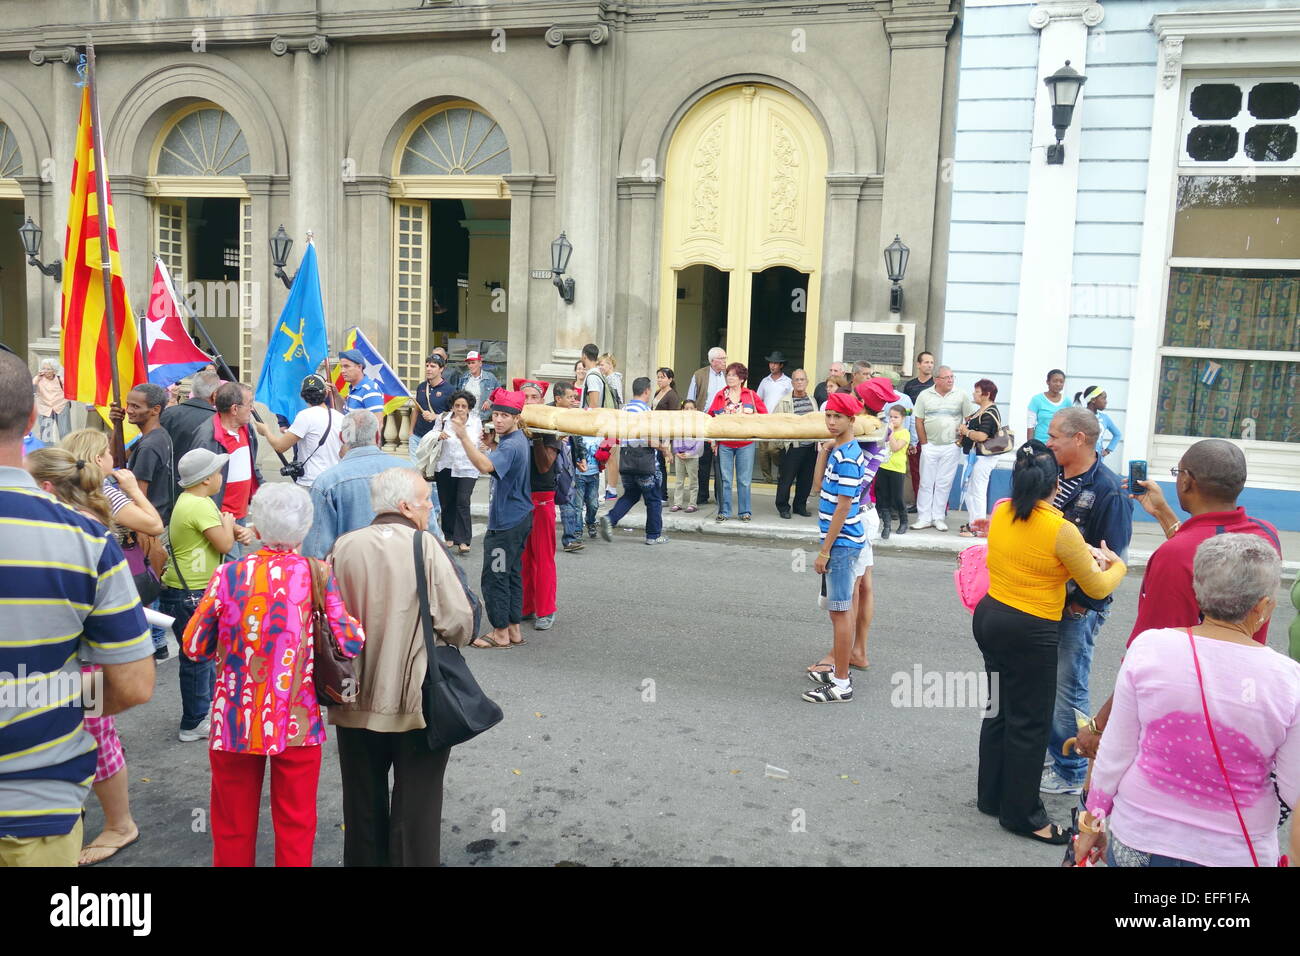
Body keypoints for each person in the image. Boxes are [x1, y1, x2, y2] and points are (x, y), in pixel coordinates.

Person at [0, 350, 154, 868]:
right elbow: (133, 685)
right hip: (39, 804)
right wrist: (51, 699)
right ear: (30, 421)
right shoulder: (86, 538)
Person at [1074, 535, 1299, 868]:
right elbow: (1294, 787)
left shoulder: (1150, 648)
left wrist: (1093, 820)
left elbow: (1116, 751)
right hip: (1235, 851)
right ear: (1262, 606)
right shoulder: (1289, 680)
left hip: (1139, 837)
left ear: (1199, 593)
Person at [182, 483, 364, 867]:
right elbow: (349, 642)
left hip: (234, 718)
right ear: (304, 529)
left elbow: (194, 645)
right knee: (296, 822)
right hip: (297, 717)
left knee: (232, 823)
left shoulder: (228, 576)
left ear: (257, 528)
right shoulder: (317, 574)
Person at [1072, 438, 1282, 759]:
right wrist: (1162, 512)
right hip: (1242, 708)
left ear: (1186, 481)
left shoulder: (1174, 556)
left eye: (1178, 473)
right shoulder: (1265, 536)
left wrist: (1099, 727)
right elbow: (1208, 548)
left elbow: (1147, 659)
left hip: (1182, 720)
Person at [972, 440, 1126, 844]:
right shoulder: (1060, 529)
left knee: (998, 709)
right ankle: (1023, 815)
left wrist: (1081, 549)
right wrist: (1118, 565)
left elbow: (1035, 548)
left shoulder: (1003, 510)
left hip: (990, 617)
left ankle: (991, 796)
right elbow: (1095, 584)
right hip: (1030, 628)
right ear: (1055, 484)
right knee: (1030, 722)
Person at [329, 468, 475, 866]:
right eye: (427, 499)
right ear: (407, 505)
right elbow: (458, 621)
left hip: (351, 693)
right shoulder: (425, 546)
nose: (431, 506)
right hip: (416, 694)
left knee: (361, 797)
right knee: (417, 800)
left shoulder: (343, 546)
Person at [24, 447, 158, 866]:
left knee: (97, 732)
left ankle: (120, 824)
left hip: (89, 658)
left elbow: (135, 685)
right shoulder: (75, 524)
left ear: (46, 488)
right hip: (85, 656)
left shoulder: (78, 530)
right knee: (93, 732)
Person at [1041, 406, 1132, 795]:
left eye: (1055, 436)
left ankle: (1072, 769)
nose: (1048, 443)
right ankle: (1059, 753)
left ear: (1079, 439)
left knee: (1069, 686)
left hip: (1077, 608)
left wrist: (1081, 607)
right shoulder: (1055, 478)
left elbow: (1115, 559)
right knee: (1050, 684)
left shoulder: (1108, 490)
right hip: (1046, 603)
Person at [805, 377, 898, 677]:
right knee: (863, 589)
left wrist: (824, 550)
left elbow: (844, 502)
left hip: (854, 517)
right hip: (863, 514)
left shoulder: (862, 435)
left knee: (848, 598)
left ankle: (839, 660)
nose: (832, 420)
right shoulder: (879, 427)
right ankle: (857, 651)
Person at [163, 448, 238, 743]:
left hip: (184, 590)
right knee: (198, 657)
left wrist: (231, 529)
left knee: (201, 655)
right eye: (218, 472)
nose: (221, 477)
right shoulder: (200, 505)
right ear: (207, 479)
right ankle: (193, 721)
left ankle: (201, 713)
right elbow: (223, 544)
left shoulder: (191, 500)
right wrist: (230, 527)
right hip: (191, 592)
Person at [801, 391, 869, 703]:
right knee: (837, 611)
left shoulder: (850, 457)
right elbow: (817, 488)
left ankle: (841, 683)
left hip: (840, 545)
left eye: (837, 417)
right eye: (828, 415)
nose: (830, 421)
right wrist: (823, 451)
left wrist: (825, 551)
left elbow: (843, 509)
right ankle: (839, 670)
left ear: (851, 420)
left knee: (840, 613)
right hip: (839, 544)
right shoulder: (840, 452)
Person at [452, 388, 532, 649]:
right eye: (496, 414)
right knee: (511, 573)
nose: (498, 420)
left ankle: (499, 633)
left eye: (504, 416)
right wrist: (492, 445)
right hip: (519, 517)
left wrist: (464, 437)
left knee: (496, 576)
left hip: (506, 523)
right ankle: (514, 630)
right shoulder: (514, 441)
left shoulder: (511, 445)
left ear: (516, 419)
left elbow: (486, 466)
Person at [302, 409, 434, 559]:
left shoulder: (326, 482)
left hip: (351, 574)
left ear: (342, 437)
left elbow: (316, 551)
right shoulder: (410, 472)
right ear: (377, 435)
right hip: (407, 570)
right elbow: (432, 534)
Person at [189, 382, 261, 560]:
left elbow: (252, 466)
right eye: (249, 404)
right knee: (232, 570)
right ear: (235, 409)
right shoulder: (207, 438)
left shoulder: (247, 429)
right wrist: (228, 524)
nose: (252, 409)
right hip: (219, 518)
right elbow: (199, 490)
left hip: (240, 513)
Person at [598, 377, 669, 546]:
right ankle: (653, 535)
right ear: (647, 391)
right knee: (653, 499)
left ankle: (610, 518)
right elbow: (649, 440)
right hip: (644, 461)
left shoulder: (624, 410)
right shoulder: (645, 412)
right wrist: (664, 448)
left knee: (631, 494)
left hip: (627, 459)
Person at [519, 381, 563, 630]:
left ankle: (546, 610)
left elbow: (545, 465)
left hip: (542, 495)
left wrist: (536, 438)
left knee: (543, 555)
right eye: (525, 397)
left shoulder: (550, 426)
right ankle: (526, 606)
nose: (529, 401)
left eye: (534, 396)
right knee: (523, 556)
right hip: (519, 495)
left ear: (541, 399)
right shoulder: (515, 424)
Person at [911, 366, 975, 532]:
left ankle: (938, 517)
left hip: (951, 446)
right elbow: (918, 420)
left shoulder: (961, 395)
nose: (950, 380)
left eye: (952, 377)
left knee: (943, 483)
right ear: (936, 379)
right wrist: (923, 443)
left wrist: (960, 441)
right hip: (930, 445)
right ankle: (924, 517)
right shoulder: (925, 395)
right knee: (926, 482)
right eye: (946, 377)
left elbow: (969, 419)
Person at [253, 374, 342, 488]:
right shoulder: (340, 417)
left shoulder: (305, 416)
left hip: (312, 482)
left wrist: (266, 431)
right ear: (326, 393)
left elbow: (280, 446)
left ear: (302, 396)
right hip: (335, 482)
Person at [706, 362, 768, 522]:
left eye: (734, 375)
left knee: (744, 479)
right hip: (725, 443)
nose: (730, 377)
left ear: (741, 378)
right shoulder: (720, 395)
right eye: (728, 375)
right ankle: (724, 511)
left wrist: (754, 425)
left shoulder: (751, 395)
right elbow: (711, 418)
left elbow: (764, 415)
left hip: (745, 443)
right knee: (725, 479)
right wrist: (713, 441)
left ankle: (744, 511)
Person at [432, 389, 481, 556]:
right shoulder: (443, 419)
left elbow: (478, 442)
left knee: (462, 501)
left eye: (464, 406)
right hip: (445, 465)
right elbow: (431, 436)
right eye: (457, 406)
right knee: (447, 502)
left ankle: (464, 540)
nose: (460, 409)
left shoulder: (475, 422)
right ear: (452, 407)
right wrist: (438, 436)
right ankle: (449, 534)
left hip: (468, 466)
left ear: (469, 408)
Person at [956, 378, 1004, 537]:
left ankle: (980, 527)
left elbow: (982, 436)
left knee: (977, 491)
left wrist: (966, 432)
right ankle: (973, 524)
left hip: (983, 458)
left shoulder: (990, 412)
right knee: (970, 490)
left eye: (977, 391)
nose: (974, 394)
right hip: (974, 456)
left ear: (987, 394)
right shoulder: (981, 410)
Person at [160, 367, 222, 476]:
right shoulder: (217, 421)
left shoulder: (169, 413)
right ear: (215, 394)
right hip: (201, 481)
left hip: (168, 480)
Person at [774, 368, 818, 519]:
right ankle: (783, 507)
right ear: (792, 382)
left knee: (805, 480)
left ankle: (800, 506)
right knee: (786, 479)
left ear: (807, 382)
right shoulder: (785, 401)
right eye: (796, 380)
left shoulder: (812, 400)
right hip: (792, 447)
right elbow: (776, 423)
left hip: (810, 447)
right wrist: (782, 444)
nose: (799, 382)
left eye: (802, 379)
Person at [686, 347, 727, 505]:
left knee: (721, 460)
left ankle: (720, 496)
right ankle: (702, 495)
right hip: (704, 421)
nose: (724, 361)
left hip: (723, 422)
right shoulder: (699, 375)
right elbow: (691, 399)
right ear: (712, 361)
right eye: (721, 359)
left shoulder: (728, 374)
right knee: (703, 461)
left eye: (725, 358)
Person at [551, 382, 588, 553]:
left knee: (568, 499)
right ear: (558, 399)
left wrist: (580, 458)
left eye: (574, 397)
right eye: (570, 397)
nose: (574, 400)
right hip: (549, 463)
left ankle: (570, 539)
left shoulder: (573, 415)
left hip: (568, 464)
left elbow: (577, 437)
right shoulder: (547, 414)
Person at [902, 352, 935, 511]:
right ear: (918, 364)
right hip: (914, 433)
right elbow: (908, 409)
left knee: (932, 471)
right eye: (926, 362)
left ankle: (936, 505)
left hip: (931, 434)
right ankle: (918, 502)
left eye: (931, 362)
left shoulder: (936, 384)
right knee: (915, 470)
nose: (929, 365)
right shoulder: (910, 385)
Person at [874, 404, 910, 539]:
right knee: (884, 497)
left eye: (896, 417)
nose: (893, 420)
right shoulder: (886, 431)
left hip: (897, 469)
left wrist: (890, 433)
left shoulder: (904, 433)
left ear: (902, 418)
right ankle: (886, 525)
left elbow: (895, 447)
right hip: (884, 467)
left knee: (898, 497)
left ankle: (904, 522)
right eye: (891, 417)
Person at [755, 352, 792, 483]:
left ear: (781, 365)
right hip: (765, 419)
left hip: (779, 420)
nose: (772, 365)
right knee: (763, 451)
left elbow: (791, 401)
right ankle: (767, 478)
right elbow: (758, 399)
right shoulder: (765, 381)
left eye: (775, 363)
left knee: (774, 449)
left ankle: (781, 469)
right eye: (771, 363)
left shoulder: (788, 382)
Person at [410, 353, 455, 459]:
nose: (429, 369)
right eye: (427, 366)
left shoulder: (450, 390)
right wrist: (411, 432)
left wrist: (435, 416)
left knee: (431, 473)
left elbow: (455, 415)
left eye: (433, 366)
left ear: (441, 369)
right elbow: (416, 409)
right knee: (415, 471)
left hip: (436, 438)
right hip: (417, 436)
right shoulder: (421, 386)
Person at [669, 398, 704, 513]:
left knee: (693, 480)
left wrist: (691, 453)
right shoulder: (679, 423)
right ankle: (677, 503)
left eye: (691, 408)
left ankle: (692, 504)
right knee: (679, 481)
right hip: (680, 456)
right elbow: (675, 438)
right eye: (686, 408)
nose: (689, 410)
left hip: (692, 456)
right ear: (682, 410)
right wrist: (677, 452)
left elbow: (699, 442)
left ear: (696, 410)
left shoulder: (698, 424)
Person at [653, 367, 681, 500]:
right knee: (654, 463)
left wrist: (667, 441)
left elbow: (673, 420)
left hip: (664, 433)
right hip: (654, 431)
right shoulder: (658, 392)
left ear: (670, 379)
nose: (659, 379)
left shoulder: (672, 395)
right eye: (658, 377)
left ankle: (663, 494)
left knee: (660, 463)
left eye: (663, 377)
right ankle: (655, 491)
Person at [1073, 385, 1122, 461]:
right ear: (1093, 400)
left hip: (1098, 462)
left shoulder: (1105, 418)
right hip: (1080, 461)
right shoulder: (1079, 416)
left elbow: (1117, 434)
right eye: (1103, 398)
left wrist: (1108, 450)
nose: (1106, 401)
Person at [338, 348, 385, 419]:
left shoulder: (370, 389)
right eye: (341, 367)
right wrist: (335, 394)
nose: (342, 371)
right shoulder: (353, 388)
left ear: (359, 367)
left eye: (346, 366)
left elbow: (377, 423)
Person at [459, 350, 501, 424]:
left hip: (483, 419)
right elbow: (458, 396)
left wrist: (490, 401)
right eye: (469, 363)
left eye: (473, 362)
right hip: (466, 419)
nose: (471, 365)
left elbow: (500, 393)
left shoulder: (490, 377)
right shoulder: (464, 378)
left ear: (480, 363)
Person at [33, 358, 70, 443]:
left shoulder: (60, 379)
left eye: (48, 369)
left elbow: (69, 392)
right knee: (46, 434)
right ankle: (48, 453)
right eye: (44, 368)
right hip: (45, 408)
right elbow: (32, 391)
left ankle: (66, 451)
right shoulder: (38, 379)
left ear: (54, 370)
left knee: (65, 432)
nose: (45, 371)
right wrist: (36, 379)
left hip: (61, 407)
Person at [1027, 368, 1069, 443]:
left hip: (1060, 445)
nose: (1058, 384)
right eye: (1055, 381)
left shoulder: (1067, 401)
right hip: (1040, 444)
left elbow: (1070, 425)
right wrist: (1030, 446)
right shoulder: (1037, 400)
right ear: (1048, 382)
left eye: (1061, 382)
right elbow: (1030, 426)